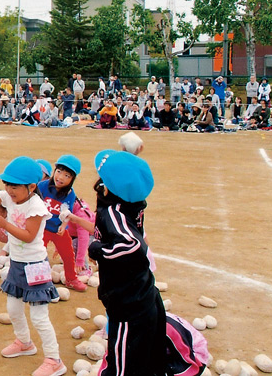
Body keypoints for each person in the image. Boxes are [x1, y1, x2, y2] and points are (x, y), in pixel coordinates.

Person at [0, 155, 65, 376]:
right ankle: (25, 343)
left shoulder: (36, 206)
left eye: (14, 186)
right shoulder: (8, 198)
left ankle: (55, 359)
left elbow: (28, 235)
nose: (9, 189)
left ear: (32, 187)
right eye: (7, 184)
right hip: (17, 264)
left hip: (36, 266)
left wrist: (5, 223)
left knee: (39, 316)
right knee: (13, 310)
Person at [89, 150, 166, 376]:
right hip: (143, 293)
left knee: (122, 362)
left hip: (128, 303)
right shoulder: (133, 204)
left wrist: (97, 249)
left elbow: (132, 245)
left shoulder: (114, 212)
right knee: (148, 357)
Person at [37, 156, 87, 293]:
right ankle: (37, 278)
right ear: (54, 171)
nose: (61, 177)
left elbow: (66, 212)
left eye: (67, 175)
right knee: (38, 253)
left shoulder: (70, 193)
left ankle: (71, 278)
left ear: (72, 179)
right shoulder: (42, 186)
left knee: (68, 254)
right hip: (42, 228)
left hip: (58, 229)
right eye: (59, 172)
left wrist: (63, 226)